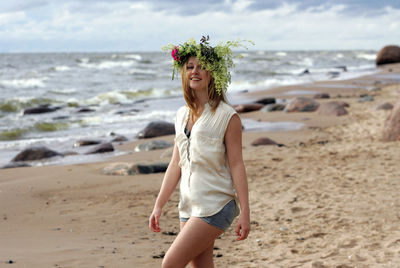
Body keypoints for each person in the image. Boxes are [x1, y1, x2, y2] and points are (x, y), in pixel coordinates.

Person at [149, 36, 250, 268]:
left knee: (170, 264)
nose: (195, 71)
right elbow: (176, 164)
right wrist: (159, 205)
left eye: (202, 67)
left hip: (216, 204)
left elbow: (237, 164)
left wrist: (245, 212)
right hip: (188, 206)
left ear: (213, 73)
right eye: (190, 67)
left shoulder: (227, 116)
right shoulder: (181, 115)